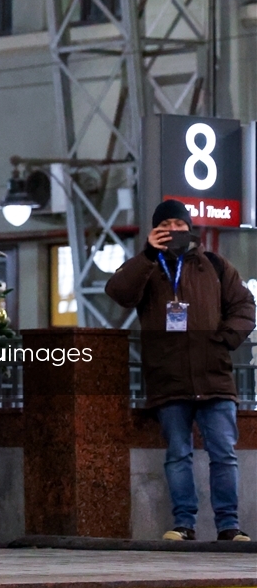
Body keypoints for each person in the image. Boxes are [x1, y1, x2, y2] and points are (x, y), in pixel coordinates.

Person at [105, 199, 255, 542]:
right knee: (177, 455)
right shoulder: (147, 267)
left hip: (213, 375)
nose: (173, 230)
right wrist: (146, 255)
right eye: (166, 224)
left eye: (179, 223)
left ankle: (229, 526)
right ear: (155, 230)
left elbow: (245, 305)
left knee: (223, 455)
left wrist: (225, 339)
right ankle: (184, 524)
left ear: (190, 227)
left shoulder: (215, 264)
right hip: (168, 377)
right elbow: (118, 293)